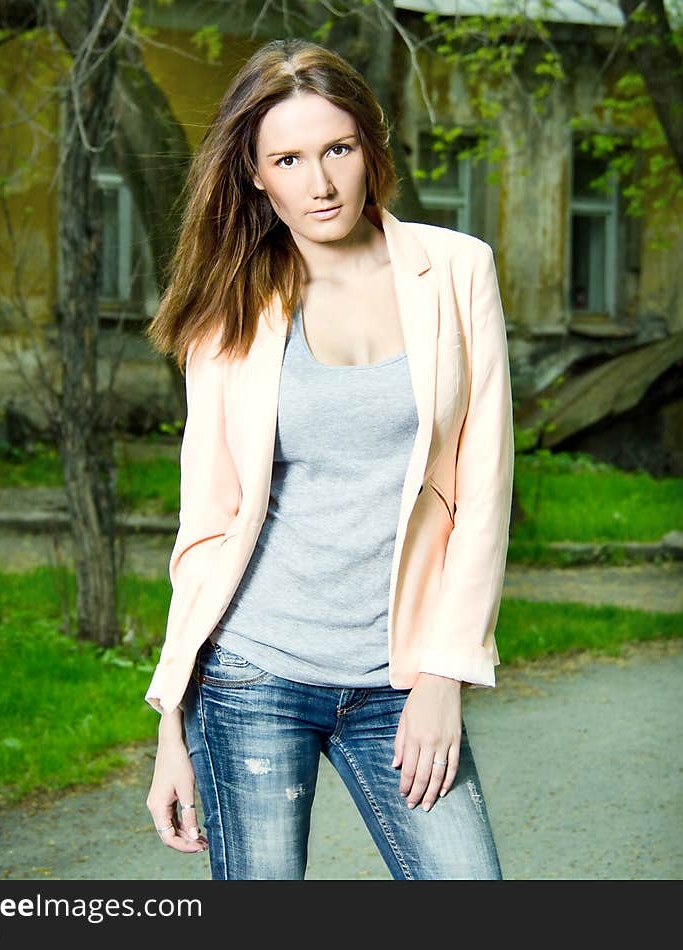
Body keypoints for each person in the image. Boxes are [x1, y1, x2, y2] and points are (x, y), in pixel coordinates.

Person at [143, 37, 514, 880]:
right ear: (254, 174)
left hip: (402, 672)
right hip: (252, 674)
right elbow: (205, 526)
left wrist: (442, 678)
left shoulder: (456, 272)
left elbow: (482, 494)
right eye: (289, 158)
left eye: (337, 149)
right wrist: (171, 721)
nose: (319, 183)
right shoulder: (229, 308)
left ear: (368, 149)